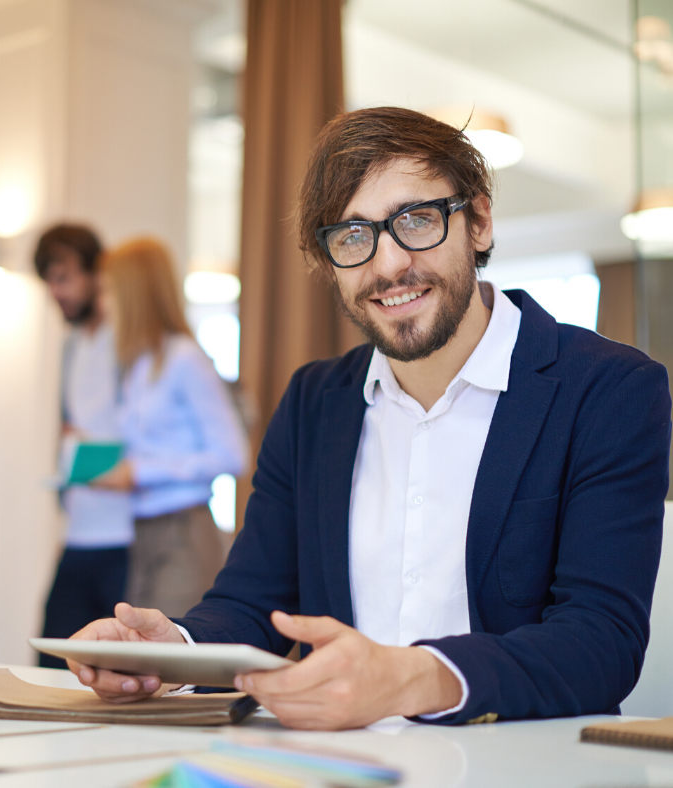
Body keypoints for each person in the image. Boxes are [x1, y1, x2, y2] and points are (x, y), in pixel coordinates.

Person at [66, 107, 672, 729]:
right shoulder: (314, 402)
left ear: (480, 222)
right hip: (341, 763)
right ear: (330, 262)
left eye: (416, 220)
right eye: (353, 236)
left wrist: (411, 677)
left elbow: (601, 643)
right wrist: (178, 652)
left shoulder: (608, 390)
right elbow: (253, 603)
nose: (386, 265)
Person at [92, 238, 249, 618]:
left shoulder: (184, 359)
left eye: (110, 291)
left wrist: (142, 472)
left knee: (169, 665)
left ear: (134, 295)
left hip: (183, 530)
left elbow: (234, 454)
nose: (103, 304)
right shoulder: (139, 365)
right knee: (143, 658)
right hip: (142, 531)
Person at [34, 224, 134, 669]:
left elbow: (150, 433)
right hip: (79, 532)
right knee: (54, 664)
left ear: (97, 274)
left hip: (126, 537)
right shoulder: (72, 344)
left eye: (64, 277)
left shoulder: (128, 338)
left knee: (121, 672)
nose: (56, 292)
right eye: (49, 281)